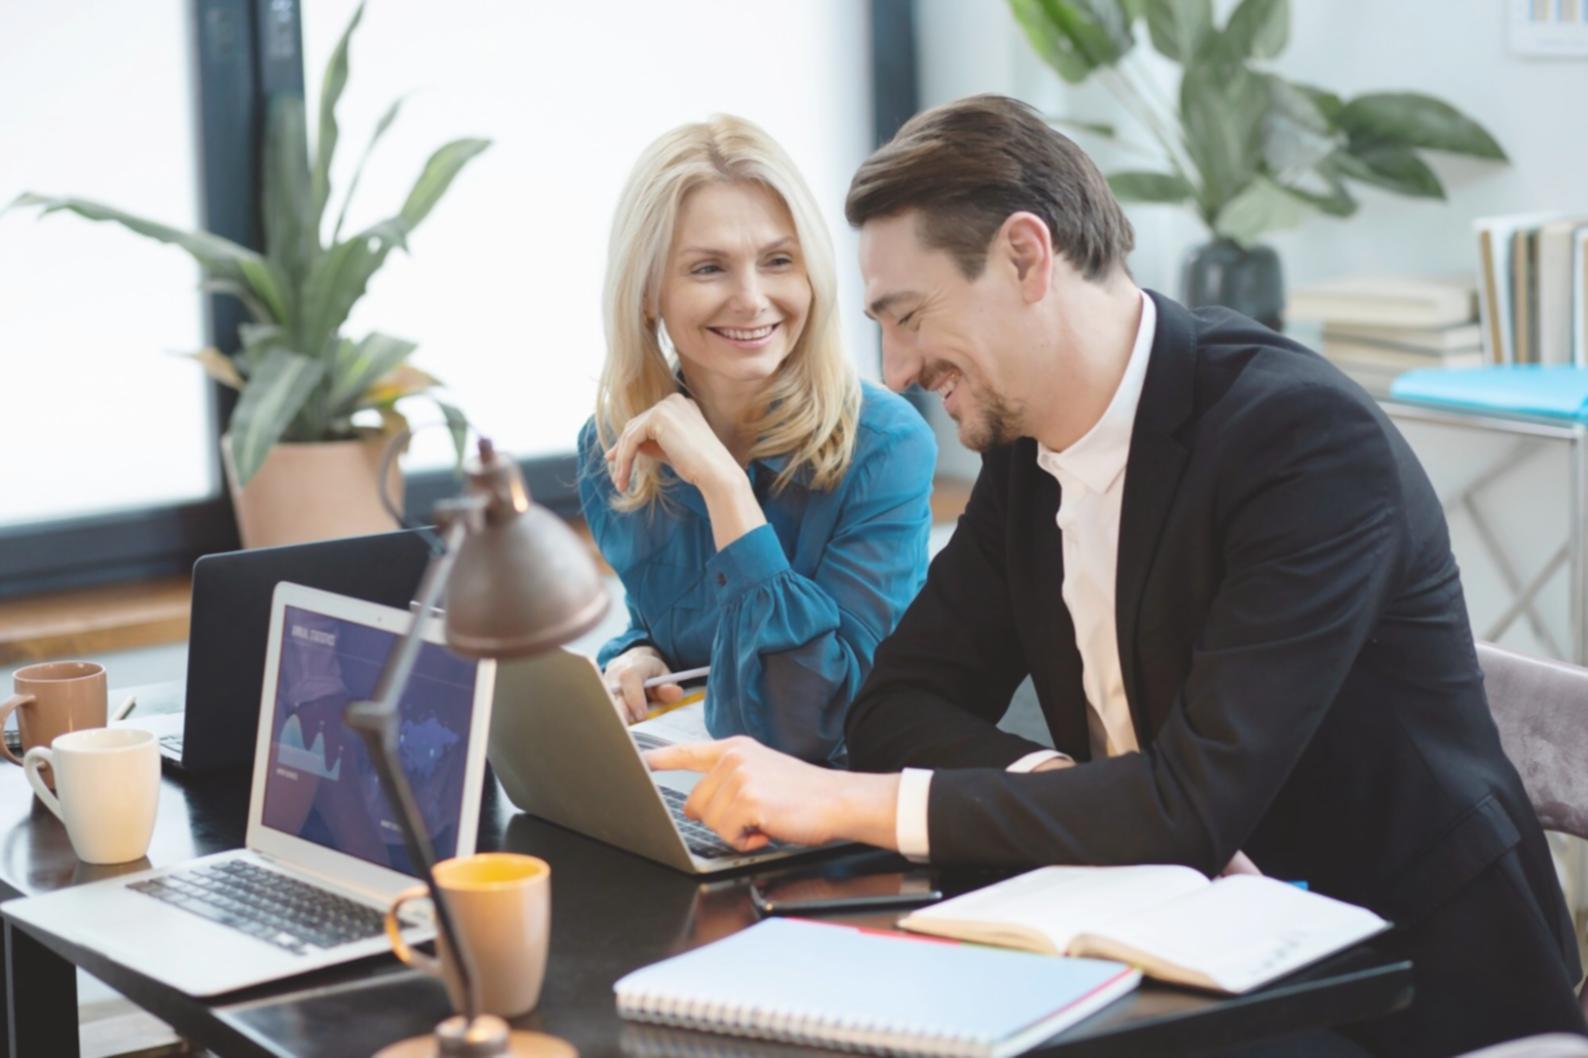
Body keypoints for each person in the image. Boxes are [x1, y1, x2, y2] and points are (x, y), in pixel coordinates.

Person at [646, 95, 1586, 1055]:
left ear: (1025, 256)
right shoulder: (1027, 446)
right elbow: (896, 703)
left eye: (910, 316)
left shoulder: (1301, 441)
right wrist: (1072, 791)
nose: (897, 367)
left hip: (1398, 986)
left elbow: (1189, 805)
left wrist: (840, 799)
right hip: (1175, 960)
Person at [578, 115, 936, 763]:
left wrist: (723, 489)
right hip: (695, 784)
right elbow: (677, 621)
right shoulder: (614, 447)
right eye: (709, 268)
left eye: (778, 261)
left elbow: (811, 722)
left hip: (834, 806)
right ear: (648, 293)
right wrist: (640, 653)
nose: (751, 299)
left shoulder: (886, 447)